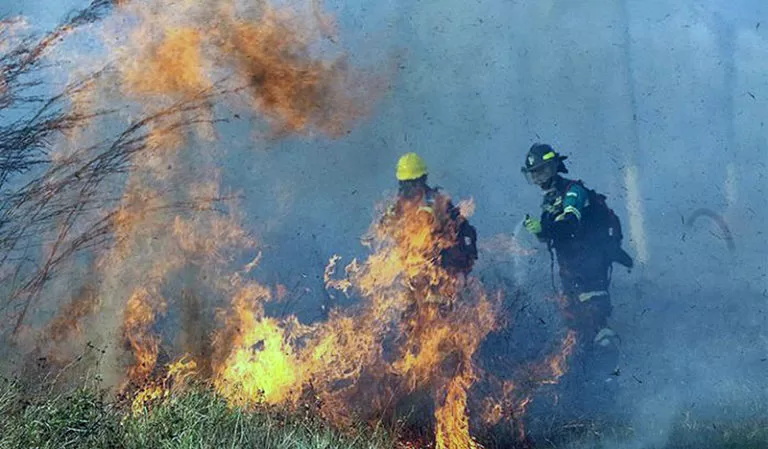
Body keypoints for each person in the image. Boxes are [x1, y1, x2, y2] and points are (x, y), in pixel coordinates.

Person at [521, 143, 633, 410]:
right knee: (578, 330)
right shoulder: (550, 200)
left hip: (590, 269)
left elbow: (570, 224)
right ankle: (589, 393)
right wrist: (540, 229)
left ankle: (610, 385)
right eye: (532, 173)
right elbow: (553, 233)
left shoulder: (573, 192)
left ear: (553, 167)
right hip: (572, 272)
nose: (537, 178)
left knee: (596, 326)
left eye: (540, 171)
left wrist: (545, 227)